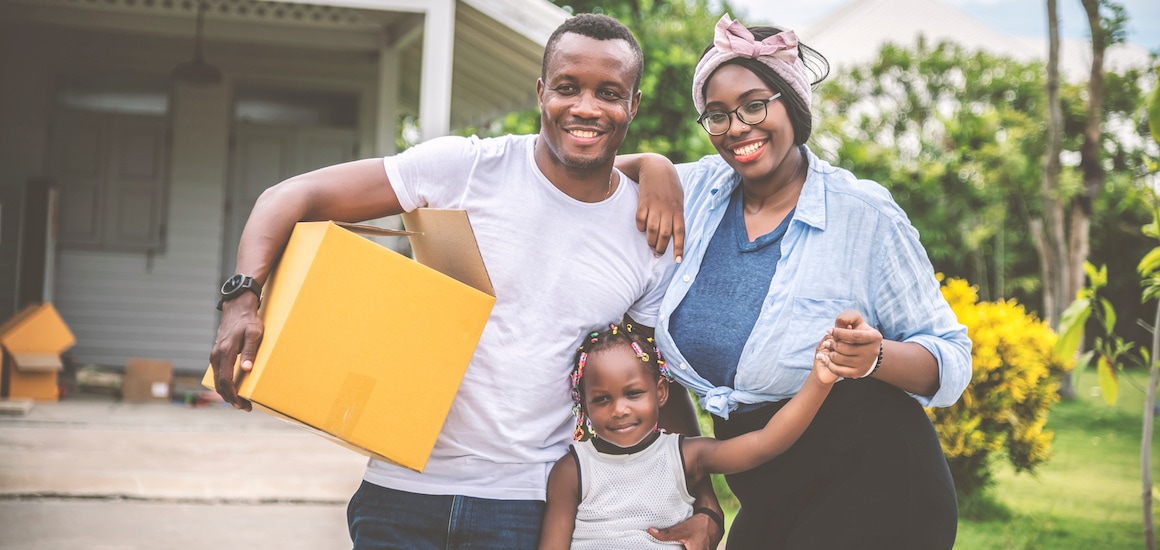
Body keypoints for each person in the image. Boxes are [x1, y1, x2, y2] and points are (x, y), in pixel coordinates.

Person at [208, 13, 721, 550]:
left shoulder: (648, 236)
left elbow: (660, 384)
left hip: (530, 505)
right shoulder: (466, 169)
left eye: (609, 92)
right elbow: (290, 197)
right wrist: (241, 300)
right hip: (400, 490)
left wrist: (704, 503)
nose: (586, 107)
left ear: (633, 105)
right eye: (567, 88)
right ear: (542, 92)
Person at [617, 14, 973, 550]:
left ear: (793, 103)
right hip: (765, 485)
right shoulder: (695, 191)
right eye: (716, 116)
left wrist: (874, 358)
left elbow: (951, 361)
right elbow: (581, 175)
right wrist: (651, 163)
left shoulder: (864, 214)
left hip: (878, 479)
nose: (736, 127)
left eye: (755, 105)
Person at [538, 318, 841, 550]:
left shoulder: (685, 455)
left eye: (633, 393)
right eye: (602, 399)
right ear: (584, 404)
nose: (619, 410)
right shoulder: (573, 470)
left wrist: (819, 381)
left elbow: (765, 443)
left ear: (660, 392)